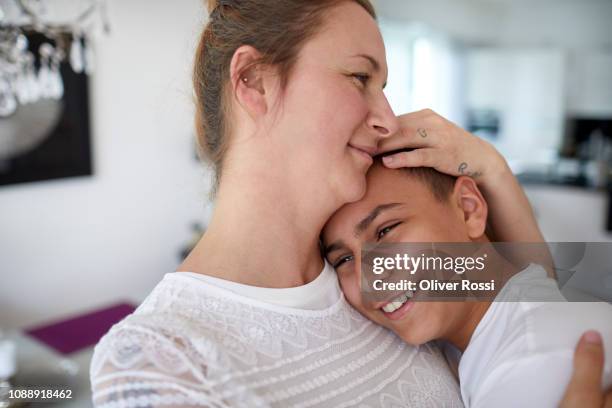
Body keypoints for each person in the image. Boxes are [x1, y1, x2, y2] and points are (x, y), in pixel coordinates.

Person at [89, 0, 591, 406]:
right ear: (253, 80)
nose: (387, 120)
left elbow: (520, 303)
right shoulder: (161, 356)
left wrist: (490, 167)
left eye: (384, 87)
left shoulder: (371, 283)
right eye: (359, 78)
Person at [321, 157, 612, 407]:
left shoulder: (530, 368)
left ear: (469, 208)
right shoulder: (491, 329)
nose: (368, 278)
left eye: (385, 230)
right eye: (343, 260)